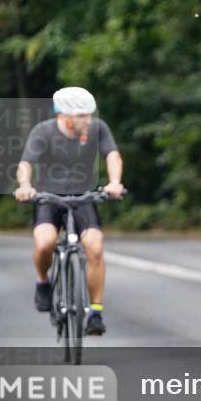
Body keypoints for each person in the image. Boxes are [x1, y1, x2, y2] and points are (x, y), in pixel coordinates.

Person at [13, 87, 125, 336]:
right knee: (45, 243)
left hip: (83, 196)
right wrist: (25, 186)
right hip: (48, 196)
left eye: (89, 114)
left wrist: (115, 182)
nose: (88, 120)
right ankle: (43, 282)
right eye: (82, 116)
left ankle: (95, 312)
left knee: (95, 247)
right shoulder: (43, 132)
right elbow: (26, 163)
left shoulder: (97, 128)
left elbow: (113, 156)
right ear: (64, 116)